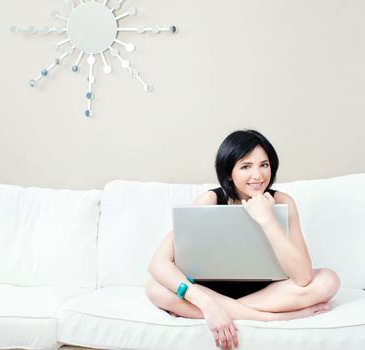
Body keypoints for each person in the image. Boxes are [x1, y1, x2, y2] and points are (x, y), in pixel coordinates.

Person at [146, 129, 341, 350]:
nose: (257, 176)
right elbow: (158, 263)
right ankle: (267, 318)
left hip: (268, 293)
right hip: (211, 291)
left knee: (328, 280)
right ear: (229, 173)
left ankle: (220, 311)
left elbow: (303, 277)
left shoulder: (283, 201)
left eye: (264, 165)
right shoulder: (210, 200)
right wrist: (206, 303)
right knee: (155, 288)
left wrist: (267, 219)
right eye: (246, 166)